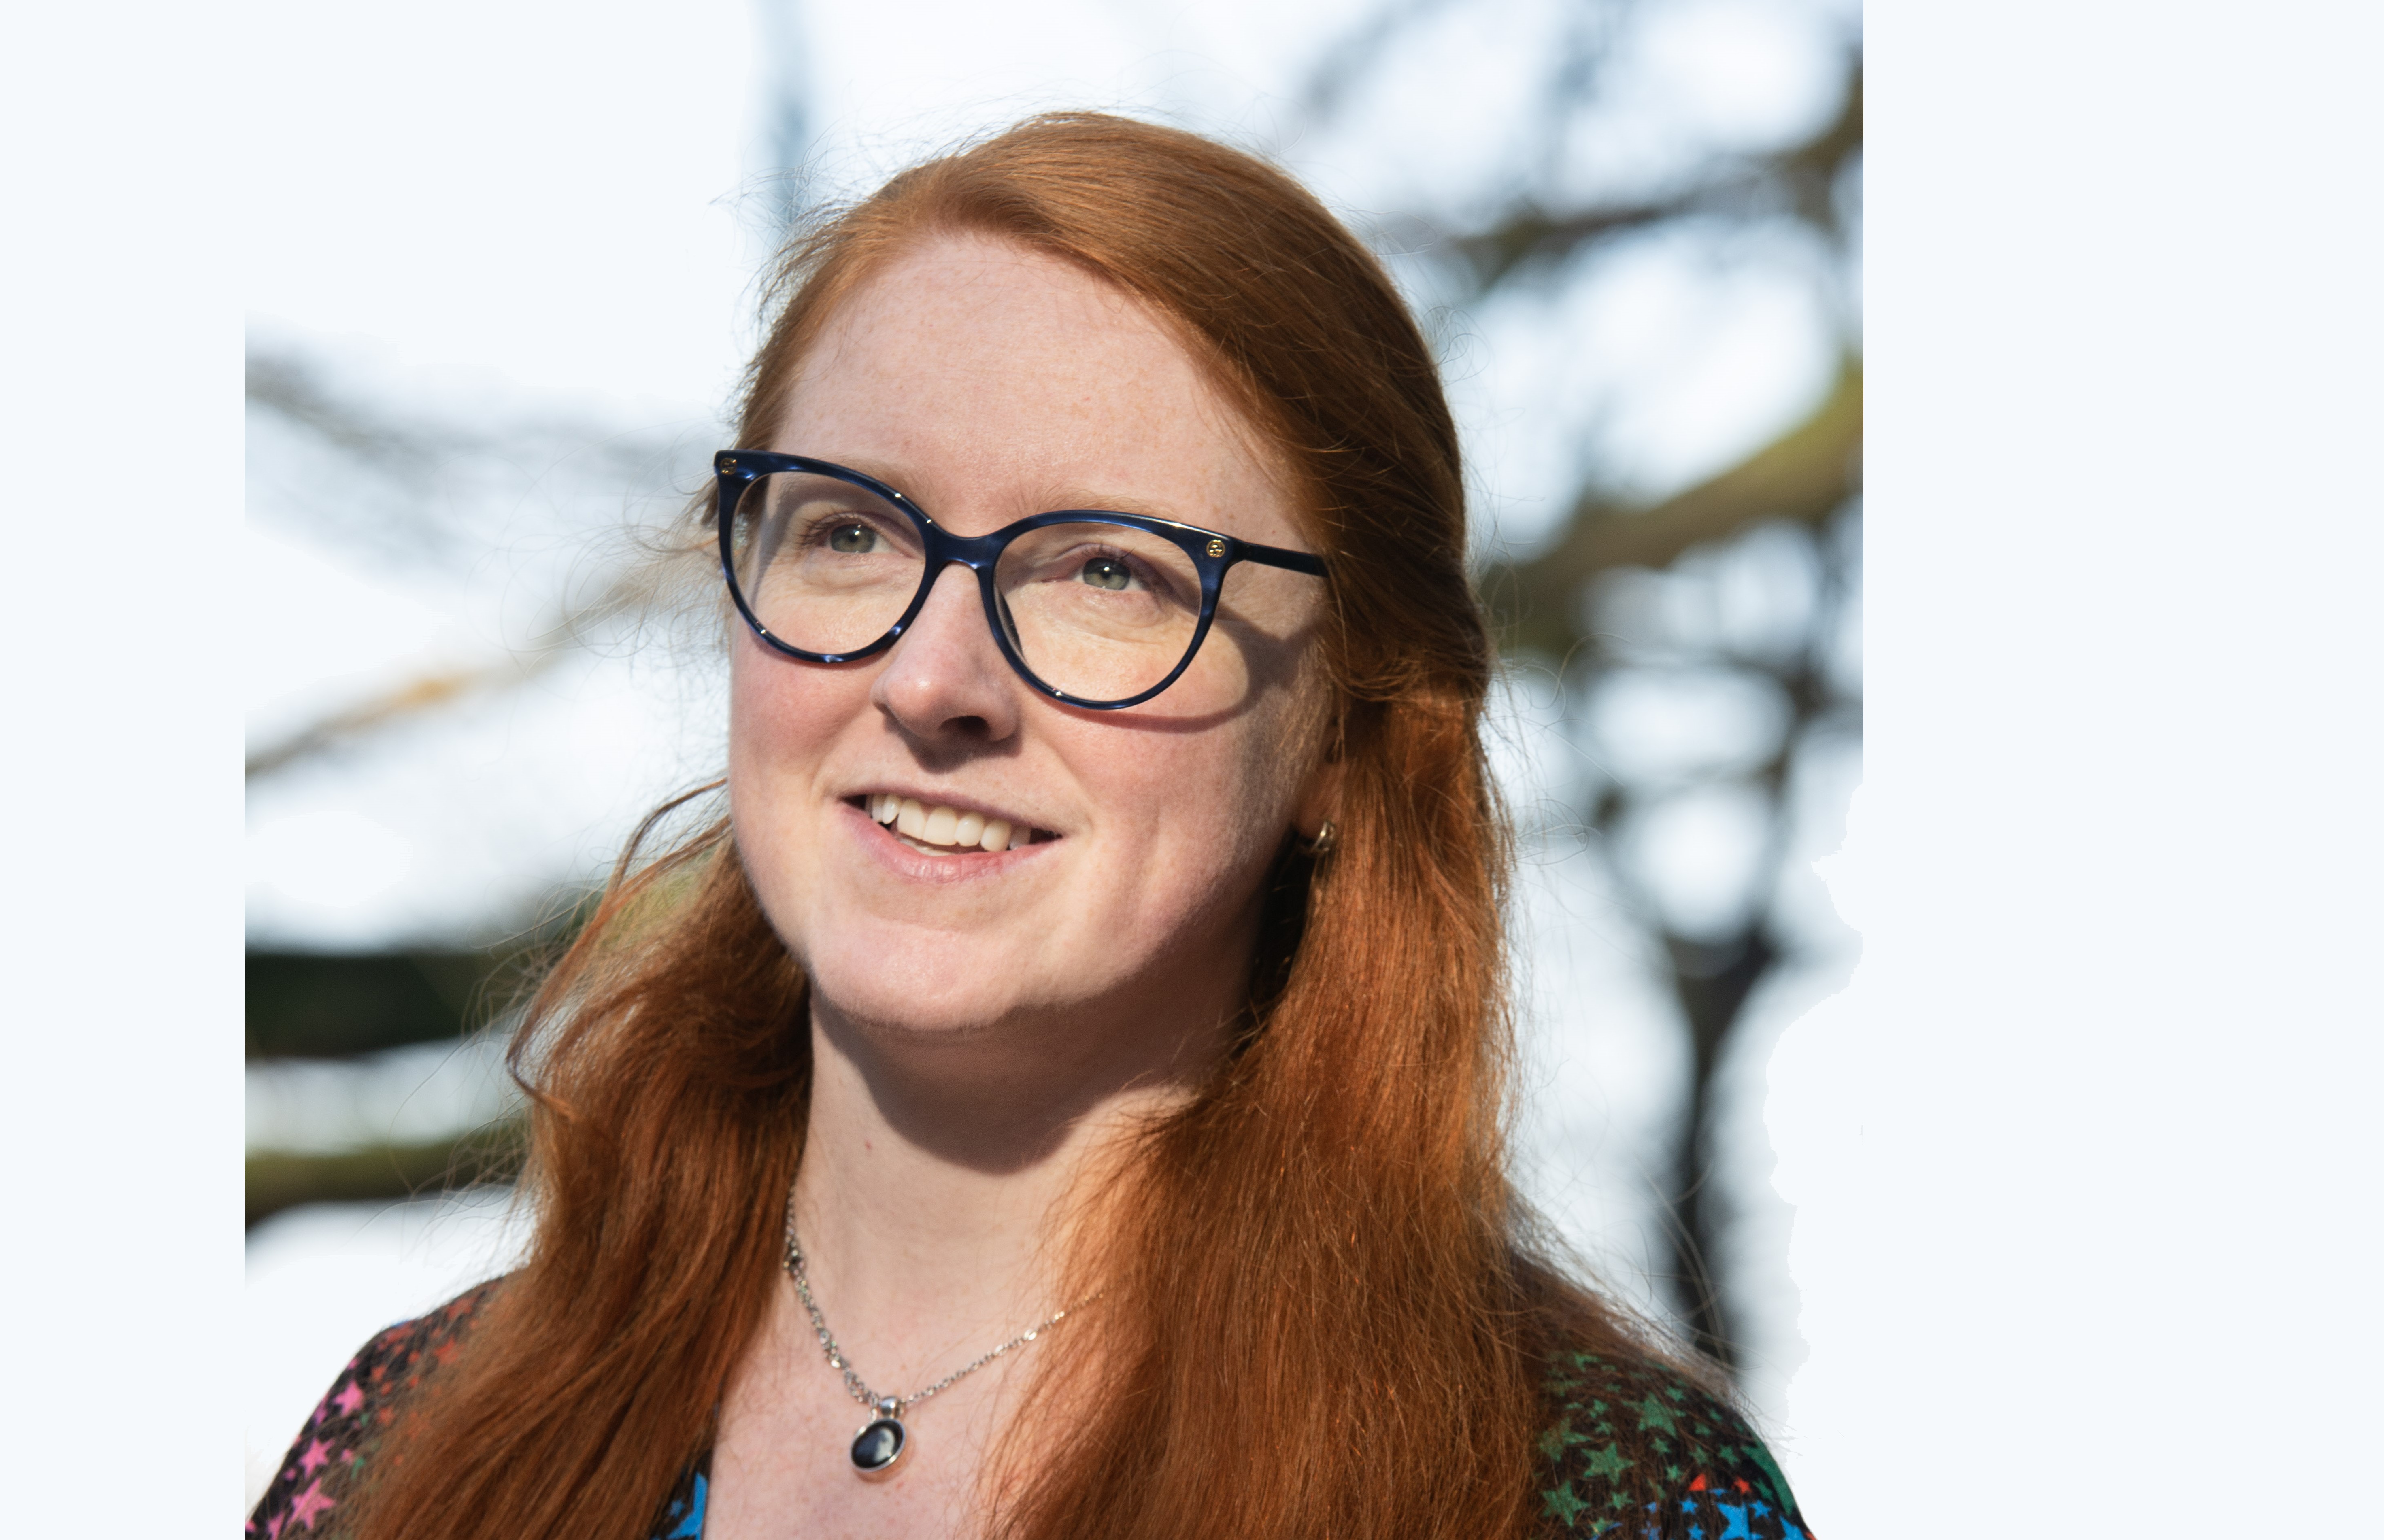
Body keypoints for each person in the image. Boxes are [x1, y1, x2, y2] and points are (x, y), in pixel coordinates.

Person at [251, 112, 1812, 1540]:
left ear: (1349, 733)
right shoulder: (415, 1451)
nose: (935, 681)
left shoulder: (1586, 1502)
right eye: (850, 533)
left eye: (1110, 573)